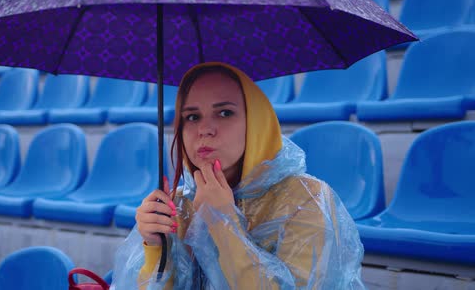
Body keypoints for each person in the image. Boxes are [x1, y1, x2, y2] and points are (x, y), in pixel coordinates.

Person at [112, 62, 366, 289]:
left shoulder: (307, 200)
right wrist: (156, 246)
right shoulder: (178, 203)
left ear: (255, 122)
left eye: (224, 113)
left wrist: (222, 222)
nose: (204, 129)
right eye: (191, 116)